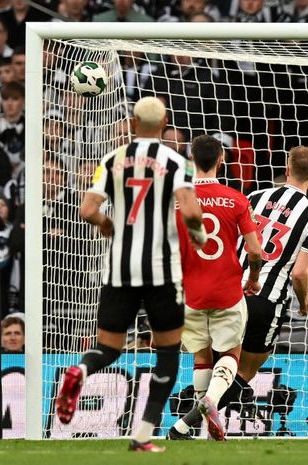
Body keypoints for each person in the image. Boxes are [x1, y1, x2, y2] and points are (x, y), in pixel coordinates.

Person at [55, 97, 206, 452]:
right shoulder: (176, 162)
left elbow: (87, 209)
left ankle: (80, 370)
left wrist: (109, 225)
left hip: (119, 270)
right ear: (165, 122)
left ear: (133, 123)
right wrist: (198, 237)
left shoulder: (111, 160)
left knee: (108, 347)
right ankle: (143, 434)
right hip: (161, 272)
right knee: (168, 353)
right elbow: (191, 213)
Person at [172, 145, 308, 436]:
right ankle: (189, 420)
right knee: (244, 371)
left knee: (217, 360)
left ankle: (195, 411)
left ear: (287, 167)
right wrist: (304, 298)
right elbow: (300, 272)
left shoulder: (253, 197)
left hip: (231, 291)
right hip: (267, 301)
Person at [167, 135, 263, 441]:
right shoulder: (236, 199)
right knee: (231, 352)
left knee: (201, 354)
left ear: (191, 159)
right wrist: (254, 277)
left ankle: (201, 430)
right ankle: (212, 402)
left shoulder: (178, 199)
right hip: (227, 290)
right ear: (222, 159)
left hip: (191, 291)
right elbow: (256, 252)